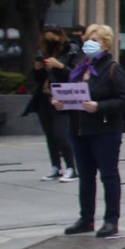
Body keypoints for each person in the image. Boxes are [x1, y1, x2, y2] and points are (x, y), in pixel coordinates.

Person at [56, 24, 125, 238]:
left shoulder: (113, 69)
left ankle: (111, 220)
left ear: (106, 44)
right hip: (80, 129)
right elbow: (74, 95)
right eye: (88, 39)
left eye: (95, 40)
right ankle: (86, 218)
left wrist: (99, 106)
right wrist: (62, 102)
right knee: (86, 176)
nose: (89, 43)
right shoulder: (81, 68)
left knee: (108, 175)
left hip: (105, 129)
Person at [24, 26, 77, 183]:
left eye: (53, 38)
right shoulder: (43, 51)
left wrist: (60, 66)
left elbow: (77, 74)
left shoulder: (71, 49)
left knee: (61, 133)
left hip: (63, 95)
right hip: (45, 96)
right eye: (46, 38)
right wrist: (38, 69)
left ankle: (71, 167)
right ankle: (55, 166)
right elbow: (37, 78)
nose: (49, 41)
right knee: (50, 134)